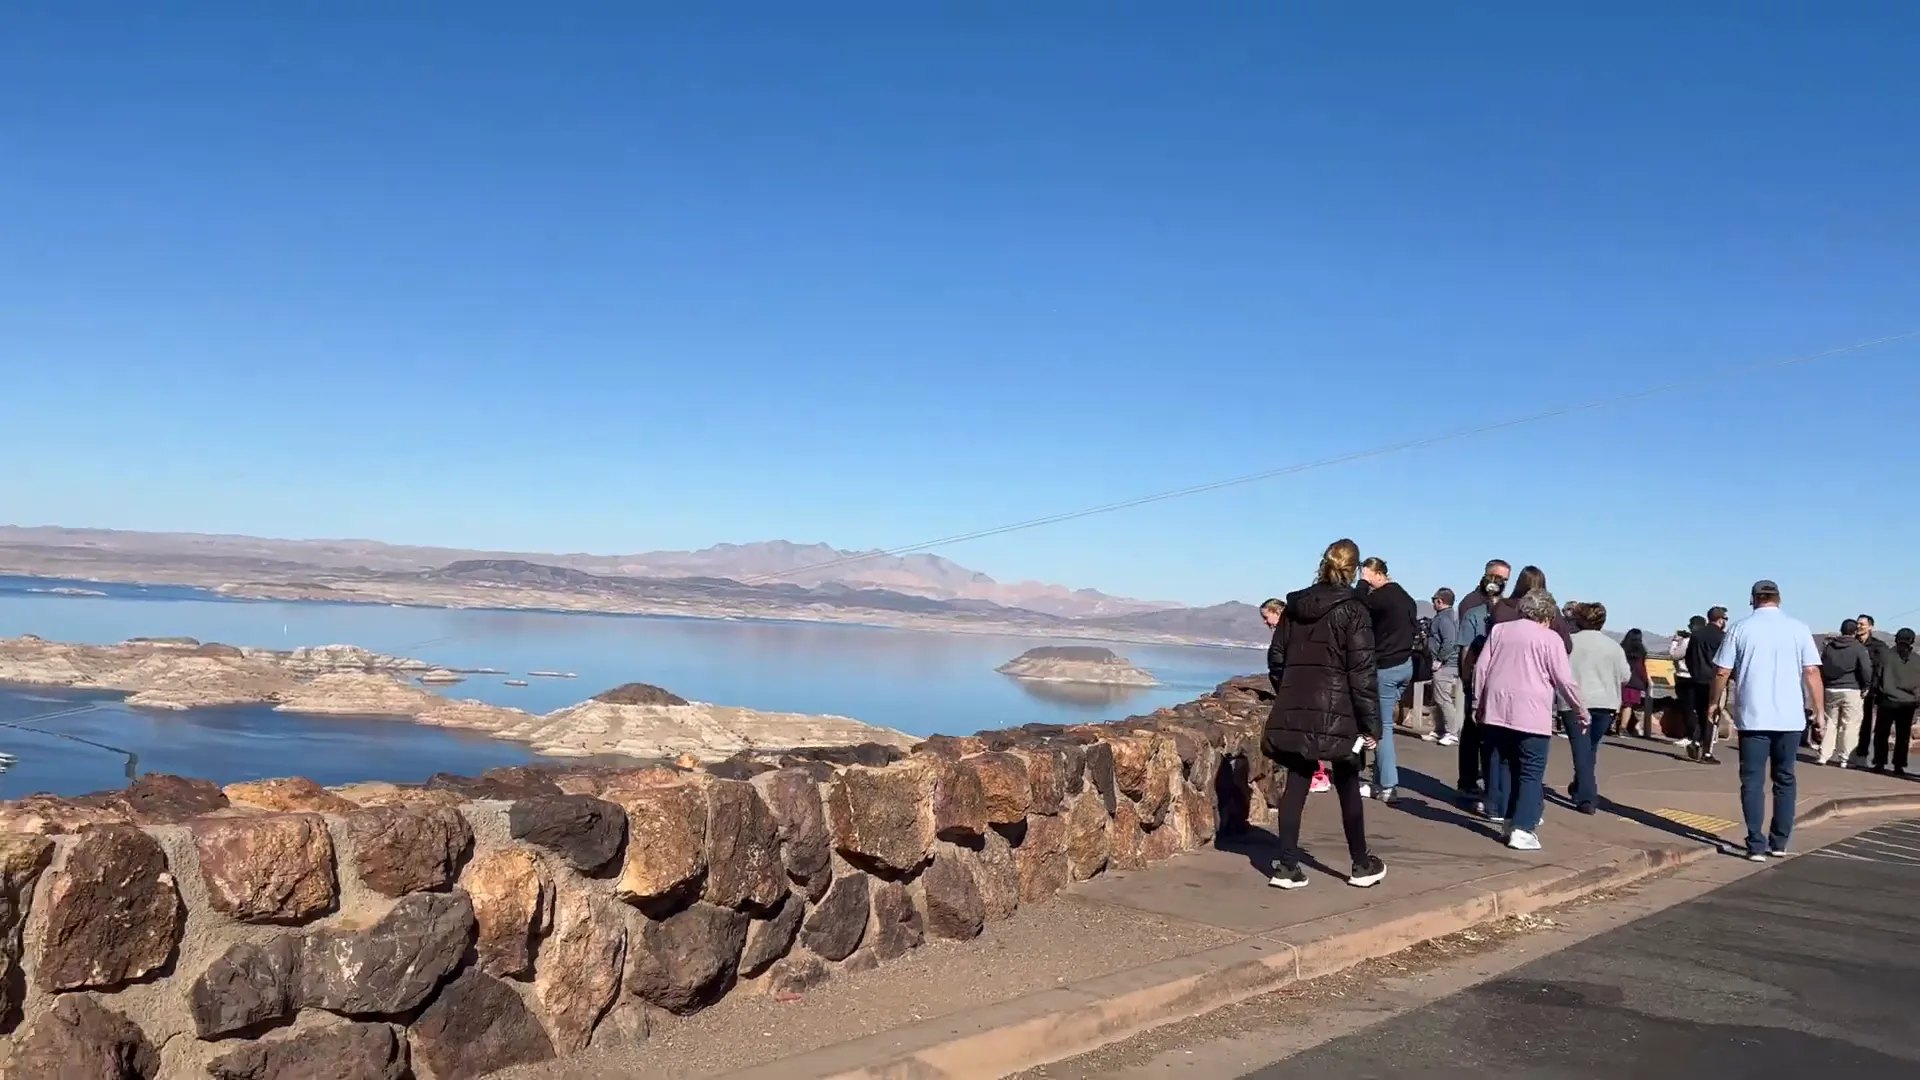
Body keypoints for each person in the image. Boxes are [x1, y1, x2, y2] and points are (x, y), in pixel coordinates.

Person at [1262, 538, 1386, 890]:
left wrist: (1291, 691)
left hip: (1299, 707)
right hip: (1341, 711)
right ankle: (1361, 864)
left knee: (1296, 784)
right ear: (1354, 569)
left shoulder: (1294, 608)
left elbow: (1276, 660)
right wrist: (1371, 724)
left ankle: (1286, 866)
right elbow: (1361, 673)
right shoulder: (1354, 610)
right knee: (1348, 783)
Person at [1709, 580, 1822, 861]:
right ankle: (1779, 841)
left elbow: (1722, 671)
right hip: (1790, 717)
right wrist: (1819, 711)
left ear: (1753, 599)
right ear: (1779, 599)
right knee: (1785, 779)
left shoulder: (1740, 628)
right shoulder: (1799, 629)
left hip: (1753, 717)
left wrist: (1714, 702)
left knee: (1752, 780)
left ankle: (1755, 843)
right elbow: (1811, 672)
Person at [1474, 588, 1584, 850]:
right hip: (1532, 715)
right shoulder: (1552, 639)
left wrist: (1478, 703)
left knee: (1508, 768)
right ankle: (1523, 829)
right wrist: (1580, 709)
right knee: (1530, 774)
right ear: (1547, 615)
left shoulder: (1500, 631)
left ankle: (1510, 822)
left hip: (1497, 711)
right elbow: (1564, 680)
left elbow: (1481, 668)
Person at [1355, 556, 1418, 803]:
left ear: (1377, 573)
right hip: (1406, 666)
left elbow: (1358, 602)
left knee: (1382, 729)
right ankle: (1379, 783)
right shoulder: (1406, 598)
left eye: (1367, 574)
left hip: (1387, 667)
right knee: (1384, 723)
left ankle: (1389, 786)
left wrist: (1362, 583)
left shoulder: (1380, 597)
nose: (1366, 580)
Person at [1567, 603, 1630, 814]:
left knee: (1581, 748)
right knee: (1590, 747)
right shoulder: (1613, 647)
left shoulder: (1570, 643)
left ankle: (1586, 796)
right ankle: (1580, 787)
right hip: (1606, 703)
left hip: (1574, 702)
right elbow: (1625, 676)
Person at [1456, 559, 1511, 800]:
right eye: (1499, 578)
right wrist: (1466, 677)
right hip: (1482, 678)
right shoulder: (1472, 607)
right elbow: (1465, 649)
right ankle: (1472, 780)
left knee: (1482, 732)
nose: (1501, 583)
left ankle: (1484, 782)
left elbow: (1466, 649)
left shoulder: (1492, 611)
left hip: (1491, 679)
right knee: (1476, 732)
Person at [1264, 599, 1331, 793]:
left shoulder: (1287, 632)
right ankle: (1317, 774)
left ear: (1277, 612)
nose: (1265, 622)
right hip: (1310, 687)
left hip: (1298, 690)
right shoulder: (1302, 629)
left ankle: (1317, 775)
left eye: (1266, 617)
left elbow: (1277, 662)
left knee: (1306, 736)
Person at [1817, 619, 1874, 768]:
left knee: (1830, 723)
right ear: (1855, 631)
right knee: (1850, 725)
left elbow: (1822, 666)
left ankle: (1824, 755)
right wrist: (1866, 685)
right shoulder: (1858, 648)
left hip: (1831, 689)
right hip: (1852, 689)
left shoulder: (1830, 647)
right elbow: (1866, 670)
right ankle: (1845, 758)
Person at [1681, 607, 1729, 763]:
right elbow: (1726, 661)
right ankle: (1707, 752)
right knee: (1711, 715)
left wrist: (1694, 672)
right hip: (1714, 681)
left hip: (1696, 679)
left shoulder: (1696, 635)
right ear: (1720, 619)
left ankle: (1696, 741)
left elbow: (1688, 657)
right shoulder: (1722, 637)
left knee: (1701, 713)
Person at [1872, 628, 1918, 776]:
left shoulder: (1885, 656)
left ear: (1896, 639)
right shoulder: (1917, 660)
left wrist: (1876, 694)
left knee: (1882, 733)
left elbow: (1877, 678)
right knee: (1903, 736)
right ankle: (1899, 765)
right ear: (1912, 641)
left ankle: (1879, 762)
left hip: (1887, 700)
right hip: (1908, 703)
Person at [1424, 587, 1463, 747]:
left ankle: (1452, 733)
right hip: (1443, 663)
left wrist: (1439, 659)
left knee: (1443, 699)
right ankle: (1440, 730)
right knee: (1438, 698)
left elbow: (1449, 641)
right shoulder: (1443, 617)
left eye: (1434, 600)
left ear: (1440, 601)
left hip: (1445, 665)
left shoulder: (1444, 619)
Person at [1855, 614, 1890, 762]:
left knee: (1865, 722)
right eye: (1857, 624)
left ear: (1870, 627)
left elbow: (1882, 668)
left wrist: (1872, 687)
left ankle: (1862, 754)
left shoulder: (1879, 647)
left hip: (1870, 690)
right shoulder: (1852, 643)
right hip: (1852, 686)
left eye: (1862, 624)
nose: (1859, 627)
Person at [1619, 629, 1652, 737]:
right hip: (1634, 681)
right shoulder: (1640, 651)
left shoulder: (1621, 649)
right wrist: (1645, 680)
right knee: (1628, 705)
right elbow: (1640, 668)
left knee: (1618, 703)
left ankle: (1610, 726)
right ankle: (1622, 728)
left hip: (1620, 678)